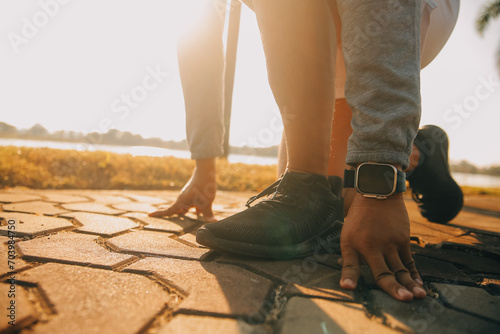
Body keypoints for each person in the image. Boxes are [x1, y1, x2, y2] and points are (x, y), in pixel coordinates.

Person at [151, 0, 462, 302]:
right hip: (316, 30)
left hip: (398, 17)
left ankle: (415, 152)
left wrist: (380, 177)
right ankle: (337, 176)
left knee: (345, 206)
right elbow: (197, 31)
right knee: (322, 205)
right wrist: (204, 167)